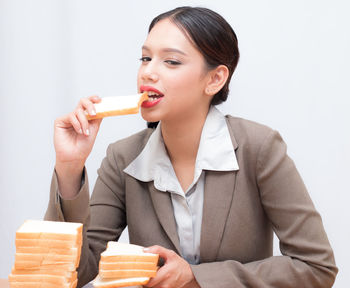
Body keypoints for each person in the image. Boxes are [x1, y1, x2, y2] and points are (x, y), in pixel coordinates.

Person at [45, 6, 338, 288]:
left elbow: (315, 266)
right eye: (145, 58)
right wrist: (69, 166)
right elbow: (76, 273)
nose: (148, 73)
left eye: (171, 61)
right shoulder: (123, 157)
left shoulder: (259, 149)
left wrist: (196, 278)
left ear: (214, 79)